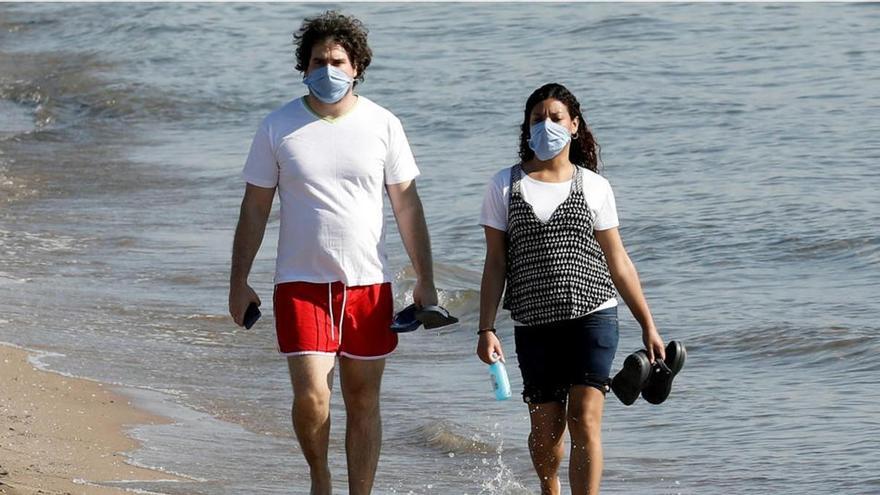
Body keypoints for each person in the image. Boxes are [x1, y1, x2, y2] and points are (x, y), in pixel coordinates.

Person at [228, 11, 437, 495]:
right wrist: (238, 281)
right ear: (304, 67)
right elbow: (254, 209)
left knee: (363, 400)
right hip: (300, 283)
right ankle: (320, 478)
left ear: (357, 66)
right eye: (319, 60)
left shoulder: (384, 124)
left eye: (338, 60)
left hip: (368, 283)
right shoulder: (278, 127)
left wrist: (424, 278)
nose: (329, 69)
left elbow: (407, 205)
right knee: (312, 395)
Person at [476, 83, 665, 495]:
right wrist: (485, 327)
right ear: (526, 129)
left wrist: (648, 324)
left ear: (574, 125)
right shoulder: (503, 186)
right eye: (537, 119)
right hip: (533, 322)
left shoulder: (594, 186)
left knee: (584, 418)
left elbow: (618, 260)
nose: (546, 125)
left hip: (593, 317)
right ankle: (549, 488)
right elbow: (495, 263)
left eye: (555, 117)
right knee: (546, 434)